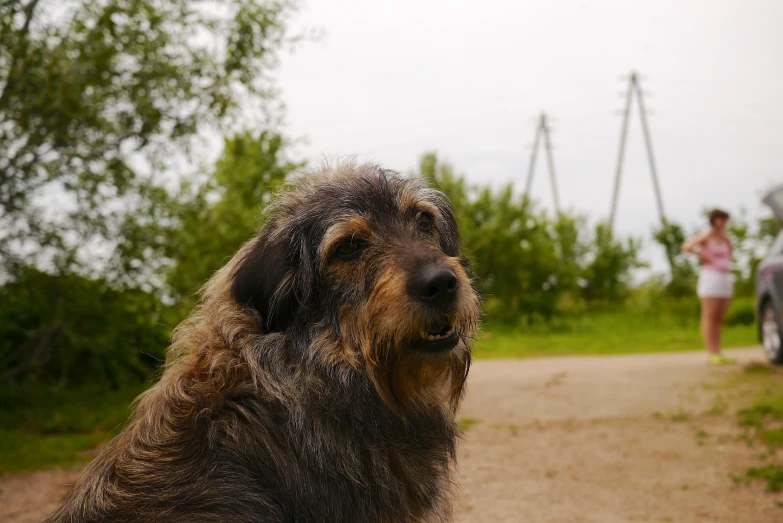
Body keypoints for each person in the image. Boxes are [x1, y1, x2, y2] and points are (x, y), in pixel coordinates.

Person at [681, 209, 734, 364]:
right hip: (710, 277)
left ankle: (719, 350)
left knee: (720, 317)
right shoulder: (706, 235)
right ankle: (712, 353)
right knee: (710, 316)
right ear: (715, 220)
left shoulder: (725, 238)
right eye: (722, 219)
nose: (724, 222)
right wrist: (702, 255)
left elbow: (731, 254)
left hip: (725, 276)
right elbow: (686, 246)